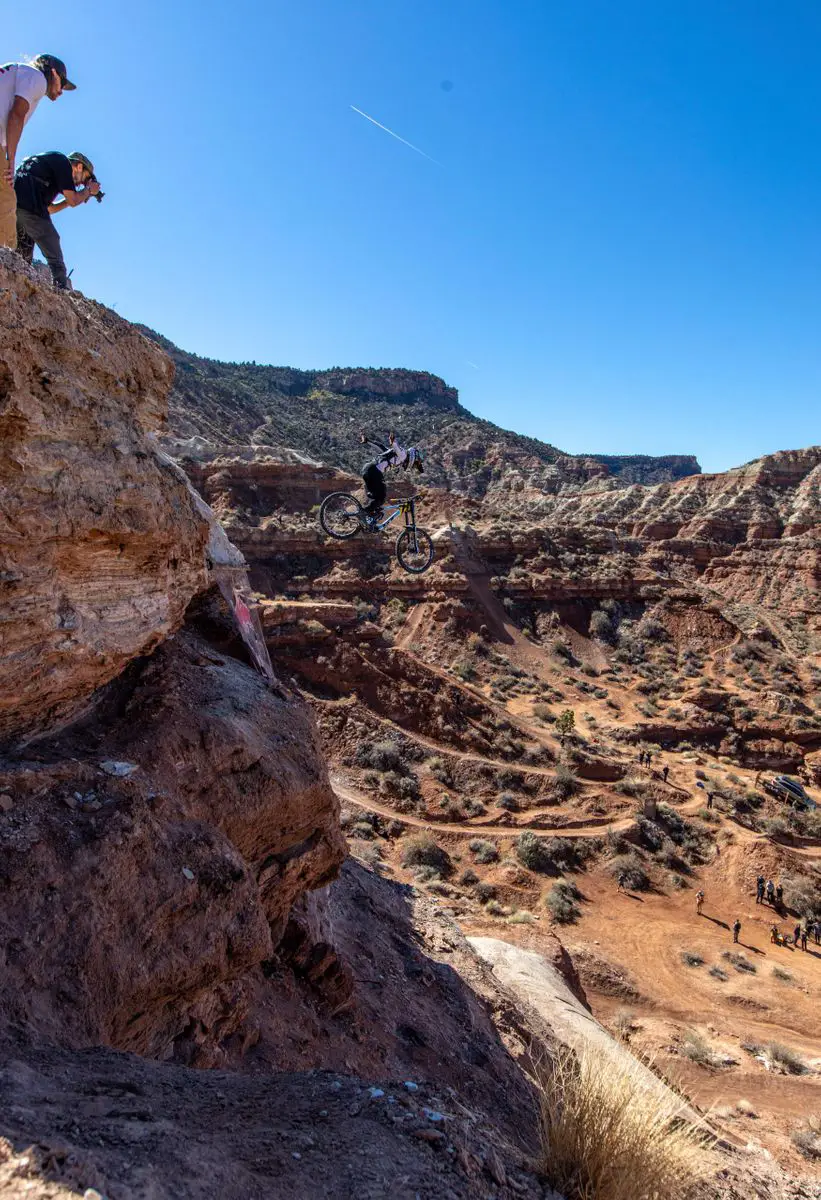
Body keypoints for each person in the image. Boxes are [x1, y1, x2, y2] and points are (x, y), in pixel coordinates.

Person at [1, 55, 75, 248]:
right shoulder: (37, 78)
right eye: (63, 83)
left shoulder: (20, 72)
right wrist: (10, 160)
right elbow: (16, 114)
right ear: (53, 73)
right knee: (6, 202)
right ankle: (7, 268)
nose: (61, 92)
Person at [14, 151, 99, 289]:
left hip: (17, 208)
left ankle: (14, 289)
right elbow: (73, 200)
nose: (80, 184)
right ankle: (61, 291)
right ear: (78, 167)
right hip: (31, 209)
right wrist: (88, 190)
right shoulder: (64, 163)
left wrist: (75, 197)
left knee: (21, 257)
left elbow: (51, 209)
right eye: (84, 178)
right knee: (54, 251)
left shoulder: (50, 166)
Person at [359, 430, 424, 522]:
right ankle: (364, 513)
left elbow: (380, 447)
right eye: (414, 464)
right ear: (413, 458)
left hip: (367, 469)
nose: (413, 466)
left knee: (377, 497)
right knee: (381, 496)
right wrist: (393, 441)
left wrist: (367, 441)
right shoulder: (403, 455)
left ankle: (366, 516)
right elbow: (396, 447)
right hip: (374, 471)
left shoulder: (393, 455)